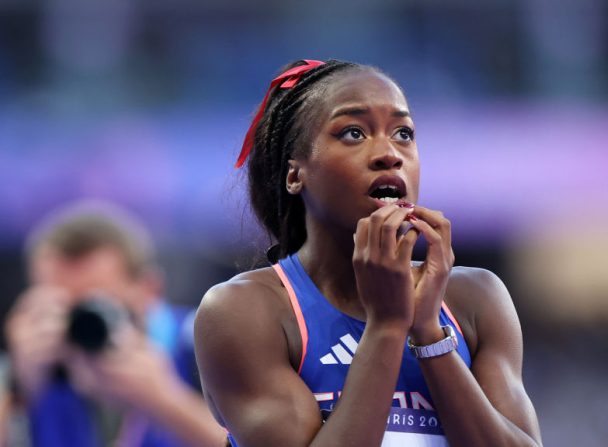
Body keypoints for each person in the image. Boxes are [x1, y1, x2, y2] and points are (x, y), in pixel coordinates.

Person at [194, 59, 543, 447]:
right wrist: (389, 325)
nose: (389, 154)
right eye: (354, 133)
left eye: (404, 133)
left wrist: (428, 333)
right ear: (296, 174)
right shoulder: (244, 309)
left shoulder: (475, 298)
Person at [4, 201, 228, 447]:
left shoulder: (204, 342)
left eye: (97, 305)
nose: (79, 325)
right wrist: (19, 388)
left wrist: (165, 401)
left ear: (149, 290)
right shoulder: (37, 363)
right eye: (61, 309)